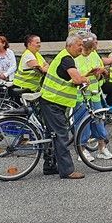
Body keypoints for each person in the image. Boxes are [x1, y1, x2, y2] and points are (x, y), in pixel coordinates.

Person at [38, 33, 92, 179]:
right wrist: (86, 79)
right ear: (69, 45)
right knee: (61, 135)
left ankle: (49, 166)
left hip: (51, 101)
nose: (81, 48)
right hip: (52, 102)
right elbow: (76, 78)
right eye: (79, 45)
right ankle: (67, 171)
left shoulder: (64, 57)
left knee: (52, 135)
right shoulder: (67, 59)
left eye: (82, 45)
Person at [74, 34, 112, 163]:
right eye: (88, 49)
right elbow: (76, 76)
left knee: (99, 120)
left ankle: (102, 148)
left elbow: (100, 69)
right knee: (82, 123)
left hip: (95, 93)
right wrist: (89, 74)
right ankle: (82, 150)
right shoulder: (76, 58)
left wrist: (100, 73)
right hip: (81, 95)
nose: (90, 51)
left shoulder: (94, 54)